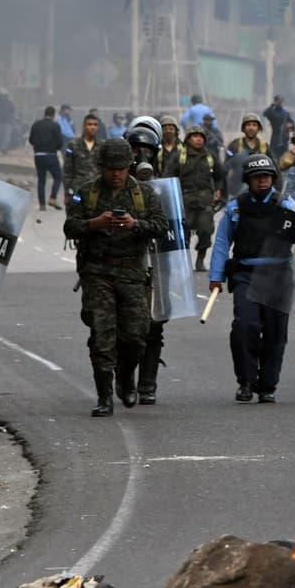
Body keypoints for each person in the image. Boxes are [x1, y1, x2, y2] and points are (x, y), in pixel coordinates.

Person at [64, 139, 168, 417]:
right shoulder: (86, 193)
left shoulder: (143, 194)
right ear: (102, 167)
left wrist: (136, 225)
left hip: (132, 273)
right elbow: (70, 226)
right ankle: (104, 396)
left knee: (136, 336)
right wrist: (94, 224)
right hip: (97, 272)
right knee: (102, 335)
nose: (116, 174)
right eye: (111, 168)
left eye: (121, 168)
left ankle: (124, 375)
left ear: (129, 167)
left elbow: (161, 225)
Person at [208, 154, 295, 404]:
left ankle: (267, 385)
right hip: (246, 275)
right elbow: (223, 242)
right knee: (245, 326)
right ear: (248, 180)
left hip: (279, 276)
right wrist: (216, 276)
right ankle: (245, 381)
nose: (263, 181)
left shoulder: (287, 205)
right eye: (257, 177)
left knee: (275, 332)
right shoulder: (236, 207)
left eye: (266, 176)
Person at [124, 124, 167, 404]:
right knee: (127, 330)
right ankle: (125, 378)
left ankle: (147, 385)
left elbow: (172, 227)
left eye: (147, 151)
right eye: (136, 150)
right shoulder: (114, 187)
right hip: (124, 267)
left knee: (154, 328)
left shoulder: (162, 189)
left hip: (155, 267)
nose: (142, 156)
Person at [163, 125, 224, 272]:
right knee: (183, 233)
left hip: (205, 200)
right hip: (184, 199)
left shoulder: (210, 157)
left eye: (201, 137)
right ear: (188, 139)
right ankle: (184, 262)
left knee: (206, 230)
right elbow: (168, 177)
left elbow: (220, 176)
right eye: (195, 136)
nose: (198, 139)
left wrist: (218, 190)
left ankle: (200, 259)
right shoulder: (179, 156)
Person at [29, 105, 64, 211]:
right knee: (58, 176)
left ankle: (42, 204)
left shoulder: (36, 124)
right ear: (53, 115)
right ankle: (52, 198)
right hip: (50, 155)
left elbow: (31, 140)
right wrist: (55, 148)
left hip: (38, 156)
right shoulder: (55, 125)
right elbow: (60, 142)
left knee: (41, 180)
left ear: (44, 113)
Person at [64, 113, 102, 206]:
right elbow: (68, 170)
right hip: (77, 189)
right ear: (84, 127)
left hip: (97, 190)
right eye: (89, 124)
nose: (92, 127)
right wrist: (67, 192)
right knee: (75, 213)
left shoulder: (102, 146)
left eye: (95, 125)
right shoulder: (73, 145)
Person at [0, 87, 16, 153]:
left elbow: (13, 110)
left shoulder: (9, 101)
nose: (3, 97)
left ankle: (3, 149)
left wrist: (11, 120)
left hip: (6, 122)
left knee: (5, 137)